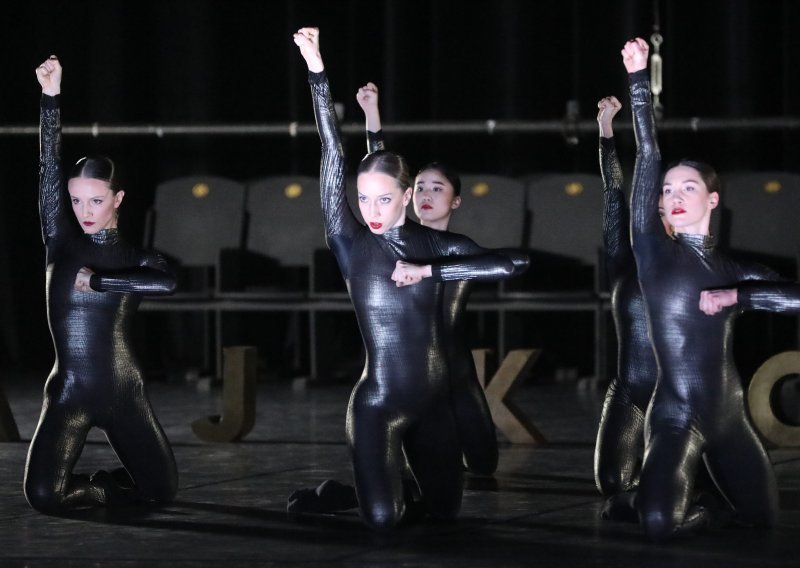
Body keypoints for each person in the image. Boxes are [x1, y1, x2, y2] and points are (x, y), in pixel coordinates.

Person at [291, 28, 528, 530]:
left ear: (407, 195)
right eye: (363, 199)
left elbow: (511, 264)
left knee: (442, 514)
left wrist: (428, 271)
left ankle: (353, 492)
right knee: (385, 520)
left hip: (435, 405)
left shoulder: (436, 246)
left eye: (384, 198)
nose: (371, 211)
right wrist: (317, 70)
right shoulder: (350, 242)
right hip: (378, 402)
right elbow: (332, 153)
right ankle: (366, 493)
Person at [624, 37, 780, 542]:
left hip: (729, 415)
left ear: (712, 198)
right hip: (675, 414)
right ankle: (670, 501)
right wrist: (638, 81)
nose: (672, 197)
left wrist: (738, 297)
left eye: (686, 188)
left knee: (764, 520)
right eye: (667, 190)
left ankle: (695, 498)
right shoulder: (653, 251)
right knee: (658, 524)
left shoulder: (734, 268)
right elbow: (648, 153)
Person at [24, 55, 178, 513]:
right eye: (76, 200)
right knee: (44, 496)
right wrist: (51, 98)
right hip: (70, 390)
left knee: (160, 493)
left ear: (118, 199)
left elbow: (167, 282)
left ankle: (119, 484)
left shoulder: (136, 257)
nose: (84, 210)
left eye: (95, 200)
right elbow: (47, 168)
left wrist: (105, 280)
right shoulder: (60, 243)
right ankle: (100, 487)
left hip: (122, 390)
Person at [592, 95, 659, 510]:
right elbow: (613, 189)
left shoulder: (687, 259)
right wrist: (605, 130)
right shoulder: (622, 257)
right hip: (631, 389)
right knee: (613, 484)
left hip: (680, 393)